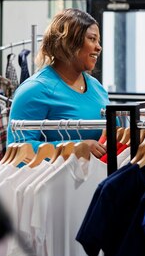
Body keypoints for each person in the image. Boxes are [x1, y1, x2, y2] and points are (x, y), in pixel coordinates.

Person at [7, 9, 107, 158]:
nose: (98, 47)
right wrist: (75, 148)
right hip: (53, 180)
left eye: (98, 40)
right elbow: (18, 149)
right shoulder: (35, 90)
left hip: (96, 178)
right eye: (92, 39)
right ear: (69, 43)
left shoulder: (97, 88)